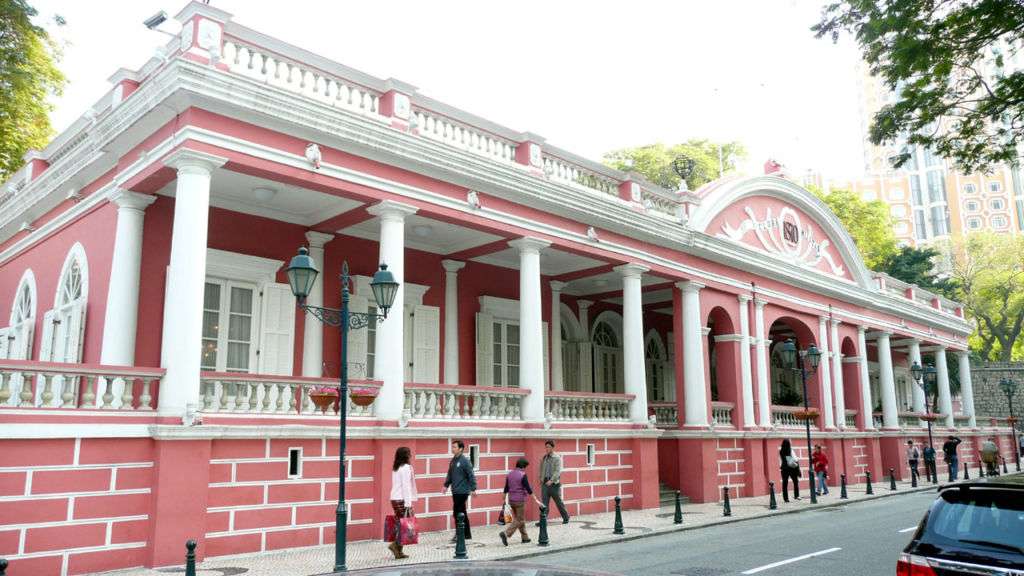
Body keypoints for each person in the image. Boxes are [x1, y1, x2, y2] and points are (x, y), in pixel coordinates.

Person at [499, 457, 542, 546]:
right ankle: (506, 534)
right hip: (520, 500)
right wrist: (535, 498)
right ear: (522, 466)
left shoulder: (510, 474)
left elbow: (506, 487)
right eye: (525, 467)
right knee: (519, 519)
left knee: (520, 519)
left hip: (511, 500)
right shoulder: (522, 475)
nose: (525, 469)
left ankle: (525, 538)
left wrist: (504, 497)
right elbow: (528, 488)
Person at [443, 440, 477, 542]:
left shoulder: (465, 461)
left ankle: (459, 534)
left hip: (462, 491)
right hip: (455, 491)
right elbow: (450, 474)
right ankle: (467, 534)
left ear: (460, 449)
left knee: (457, 512)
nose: (452, 449)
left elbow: (471, 475)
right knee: (462, 512)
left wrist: (473, 488)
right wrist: (446, 485)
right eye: (452, 447)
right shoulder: (453, 460)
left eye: (454, 447)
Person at [387, 446, 417, 560]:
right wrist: (408, 503)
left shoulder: (397, 467)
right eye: (409, 453)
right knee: (405, 525)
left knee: (401, 524)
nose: (410, 455)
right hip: (402, 499)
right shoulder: (406, 468)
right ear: (406, 455)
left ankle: (399, 551)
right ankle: (395, 546)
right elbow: (406, 486)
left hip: (395, 498)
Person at [538, 440, 571, 524]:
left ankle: (566, 517)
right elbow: (541, 469)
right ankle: (543, 521)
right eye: (546, 447)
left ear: (552, 447)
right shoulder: (544, 458)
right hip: (545, 483)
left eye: (548, 447)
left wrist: (551, 480)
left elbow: (557, 471)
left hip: (554, 484)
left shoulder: (557, 458)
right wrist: (541, 479)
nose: (546, 448)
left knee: (558, 502)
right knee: (544, 503)